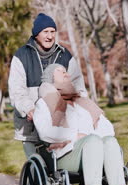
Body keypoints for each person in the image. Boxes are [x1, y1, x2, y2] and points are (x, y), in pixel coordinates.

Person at [33, 64, 128, 185]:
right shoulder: (44, 102)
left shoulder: (81, 102)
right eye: (61, 72)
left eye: (67, 72)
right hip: (66, 154)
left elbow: (107, 127)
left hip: (93, 150)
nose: (66, 74)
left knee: (110, 141)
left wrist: (94, 135)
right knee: (93, 141)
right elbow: (44, 132)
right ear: (50, 78)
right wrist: (75, 135)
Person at [8, 13, 87, 158]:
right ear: (36, 34)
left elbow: (78, 87)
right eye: (45, 32)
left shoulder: (65, 55)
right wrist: (29, 108)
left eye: (52, 32)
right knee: (37, 166)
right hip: (30, 126)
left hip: (61, 125)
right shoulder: (21, 56)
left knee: (62, 167)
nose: (49, 36)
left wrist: (81, 109)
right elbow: (16, 91)